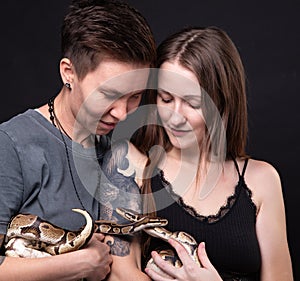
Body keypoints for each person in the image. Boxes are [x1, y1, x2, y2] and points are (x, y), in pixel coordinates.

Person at [0, 0, 156, 280]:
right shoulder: (12, 145)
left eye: (134, 97)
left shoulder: (121, 155)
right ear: (68, 73)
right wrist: (75, 265)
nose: (122, 114)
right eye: (108, 95)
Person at [131, 26, 294, 280]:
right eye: (165, 99)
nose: (175, 117)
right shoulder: (137, 166)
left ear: (222, 102)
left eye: (192, 103)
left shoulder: (262, 180)